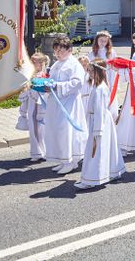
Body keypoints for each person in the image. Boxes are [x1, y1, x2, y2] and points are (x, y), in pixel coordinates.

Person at [75, 60, 125, 189]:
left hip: (99, 122)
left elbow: (100, 111)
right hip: (97, 120)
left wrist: (98, 130)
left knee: (96, 150)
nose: (89, 73)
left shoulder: (100, 89)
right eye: (89, 70)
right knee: (106, 148)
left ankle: (92, 179)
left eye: (92, 71)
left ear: (99, 71)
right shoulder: (97, 87)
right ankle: (111, 171)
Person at [44, 36, 88, 175]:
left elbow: (77, 83)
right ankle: (63, 159)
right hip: (56, 102)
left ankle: (71, 161)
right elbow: (51, 81)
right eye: (56, 50)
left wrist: (57, 86)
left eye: (61, 50)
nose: (58, 54)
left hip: (69, 103)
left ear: (70, 50)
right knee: (57, 130)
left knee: (66, 131)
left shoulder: (74, 64)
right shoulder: (56, 64)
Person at [17, 52, 50, 162]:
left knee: (40, 129)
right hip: (32, 104)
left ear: (40, 63)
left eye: (33, 61)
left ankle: (43, 152)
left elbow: (44, 91)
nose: (31, 63)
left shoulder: (43, 75)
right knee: (33, 128)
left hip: (40, 105)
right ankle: (37, 152)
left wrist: (32, 88)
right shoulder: (31, 74)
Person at [88, 31, 118, 119]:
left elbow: (114, 66)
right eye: (101, 40)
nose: (103, 43)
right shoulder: (92, 53)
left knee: (108, 96)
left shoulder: (111, 52)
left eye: (105, 41)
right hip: (96, 77)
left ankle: (109, 116)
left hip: (108, 76)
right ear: (97, 40)